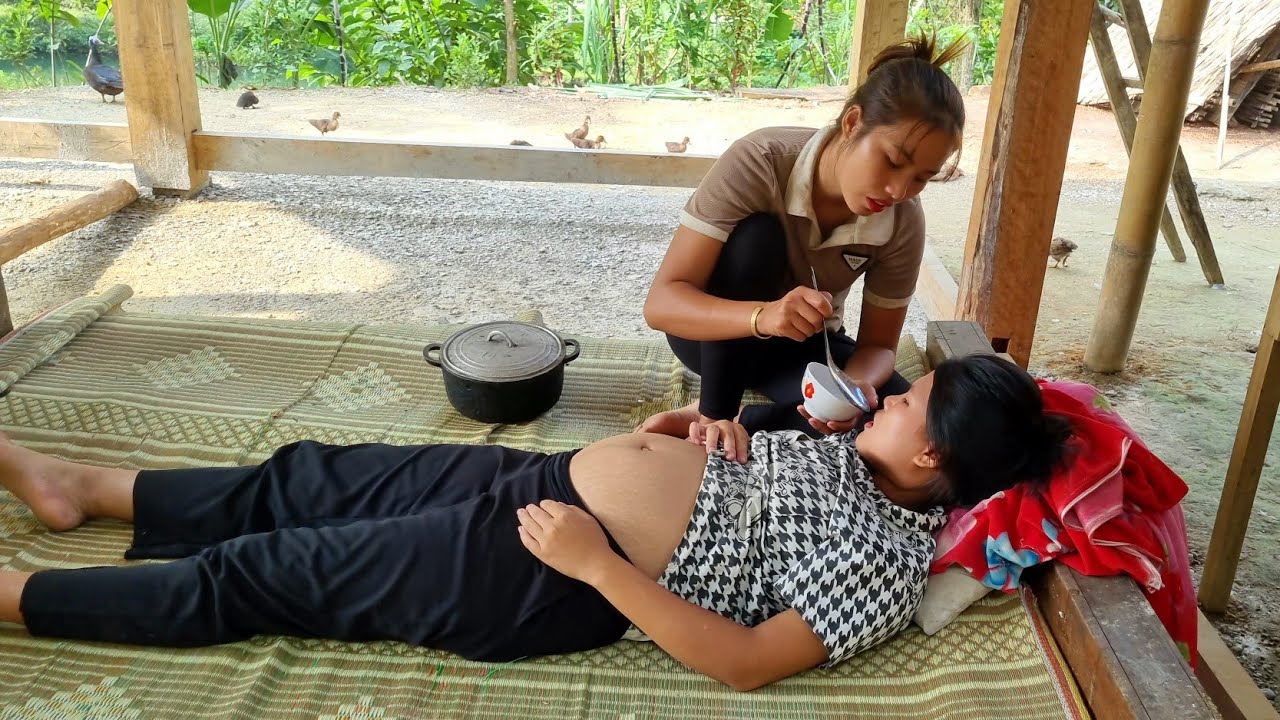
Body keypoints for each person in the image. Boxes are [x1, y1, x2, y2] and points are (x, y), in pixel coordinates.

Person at [0, 355, 1069, 692]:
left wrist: (594, 566)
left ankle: (18, 599)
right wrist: (698, 438)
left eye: (904, 402)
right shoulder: (843, 450)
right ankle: (81, 489)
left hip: (545, 569)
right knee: (308, 476)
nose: (881, 398)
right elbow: (745, 472)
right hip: (544, 479)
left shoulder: (883, 563)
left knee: (271, 571)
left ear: (930, 457)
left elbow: (747, 661)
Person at [640, 34, 966, 439]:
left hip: (805, 348)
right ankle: (712, 417)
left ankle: (731, 422)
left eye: (922, 177)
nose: (899, 191)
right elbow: (661, 304)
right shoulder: (760, 161)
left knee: (902, 431)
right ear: (852, 123)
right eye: (893, 162)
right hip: (714, 335)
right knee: (757, 238)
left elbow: (879, 347)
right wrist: (765, 316)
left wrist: (856, 389)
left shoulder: (903, 220)